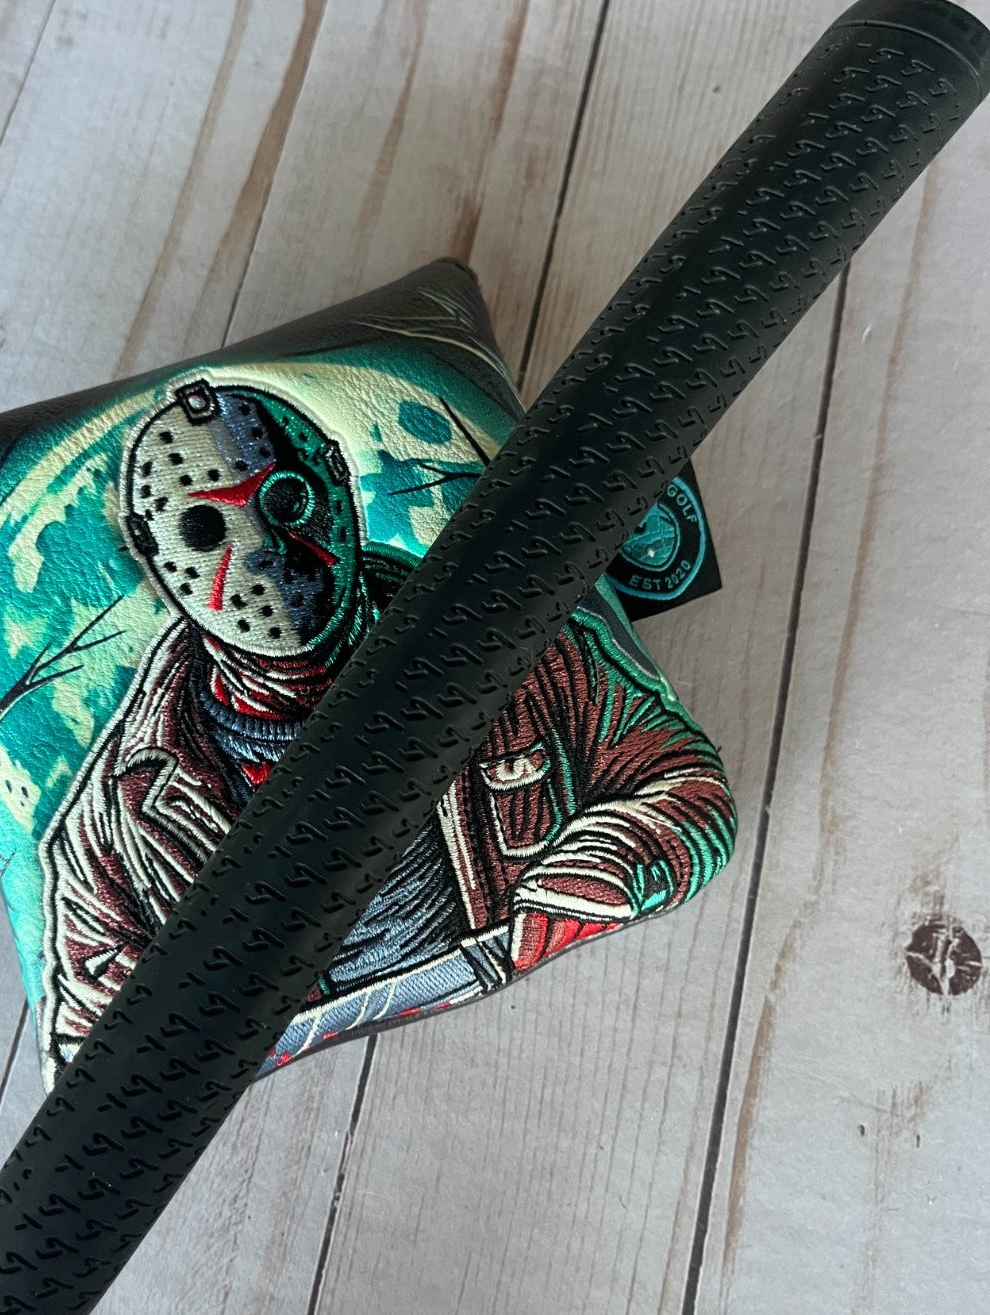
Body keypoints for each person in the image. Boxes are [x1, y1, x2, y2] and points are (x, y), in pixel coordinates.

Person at [38, 378, 735, 1081]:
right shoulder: (120, 819)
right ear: (156, 562)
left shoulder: (514, 637)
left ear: (339, 485)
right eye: (205, 532)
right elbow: (90, 1047)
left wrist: (589, 877)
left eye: (286, 501)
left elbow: (683, 786)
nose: (261, 551)